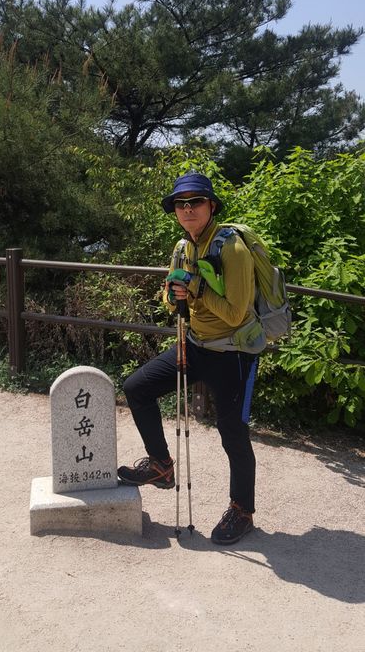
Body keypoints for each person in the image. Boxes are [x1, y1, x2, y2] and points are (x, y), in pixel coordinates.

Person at [117, 171, 259, 544]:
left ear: (211, 206)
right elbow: (168, 297)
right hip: (193, 344)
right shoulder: (182, 247)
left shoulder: (233, 249)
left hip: (233, 353)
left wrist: (194, 288)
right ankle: (162, 466)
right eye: (181, 203)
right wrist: (174, 293)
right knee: (137, 388)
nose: (187, 209)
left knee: (233, 434)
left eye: (195, 201)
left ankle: (242, 510)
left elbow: (236, 313)